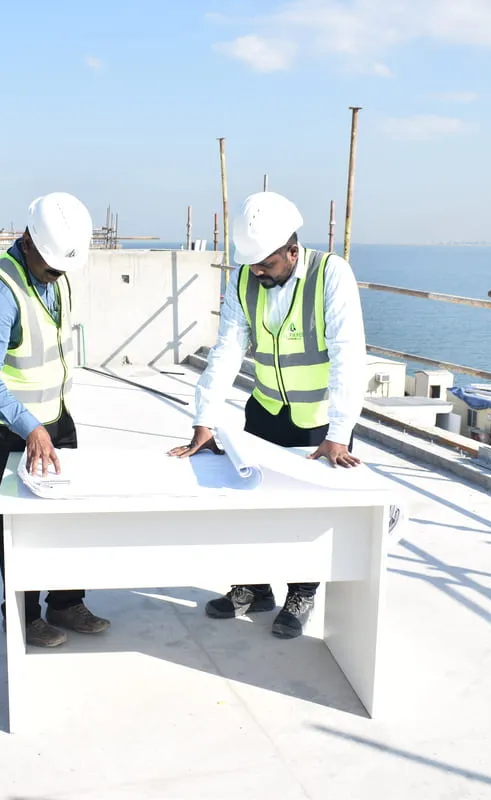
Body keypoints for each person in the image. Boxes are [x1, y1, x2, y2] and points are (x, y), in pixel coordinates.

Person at [169, 190, 373, 640]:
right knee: (253, 502)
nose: (258, 272)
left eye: (267, 264)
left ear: (292, 251)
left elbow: (348, 355)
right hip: (265, 410)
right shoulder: (244, 280)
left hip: (320, 422)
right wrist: (203, 418)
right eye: (253, 264)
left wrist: (340, 431)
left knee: (311, 512)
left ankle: (301, 593)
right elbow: (226, 351)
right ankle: (254, 587)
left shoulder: (330, 275)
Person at [0, 192, 110, 648]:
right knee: (20, 522)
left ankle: (66, 602)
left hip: (55, 415)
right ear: (27, 242)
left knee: (68, 512)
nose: (57, 274)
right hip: (12, 425)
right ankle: (22, 614)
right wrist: (30, 426)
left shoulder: (56, 272)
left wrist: (50, 417)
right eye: (50, 266)